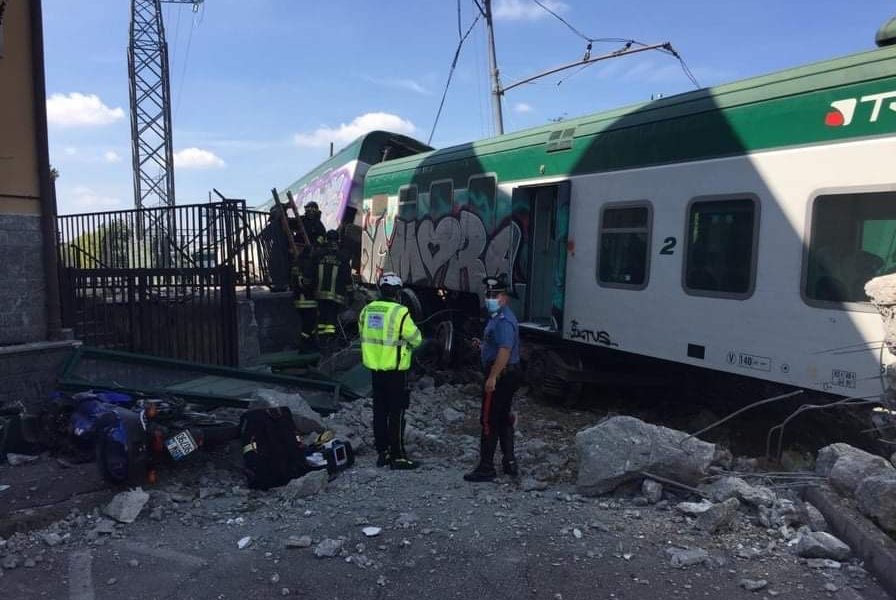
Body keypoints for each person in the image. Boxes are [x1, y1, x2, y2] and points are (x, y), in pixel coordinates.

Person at [359, 272, 423, 470]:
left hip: (375, 370)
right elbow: (416, 339)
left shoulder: (367, 310)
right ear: (397, 292)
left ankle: (383, 453)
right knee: (397, 413)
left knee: (379, 411)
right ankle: (398, 456)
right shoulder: (400, 312)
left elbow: (363, 333)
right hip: (395, 371)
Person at [464, 275, 522, 482]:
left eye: (495, 295)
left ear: (504, 298)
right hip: (507, 373)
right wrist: (483, 346)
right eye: (488, 295)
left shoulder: (504, 321)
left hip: (501, 374)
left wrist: (493, 377)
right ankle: (509, 462)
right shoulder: (498, 317)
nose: (490, 298)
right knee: (504, 417)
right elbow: (497, 346)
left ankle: (486, 467)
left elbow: (505, 351)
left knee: (488, 418)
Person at [314, 230, 352, 347]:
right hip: (336, 294)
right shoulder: (342, 257)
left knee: (322, 317)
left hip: (319, 293)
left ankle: (321, 339)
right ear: (338, 240)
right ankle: (330, 340)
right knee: (331, 317)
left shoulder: (318, 255)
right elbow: (346, 276)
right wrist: (350, 292)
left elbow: (311, 272)